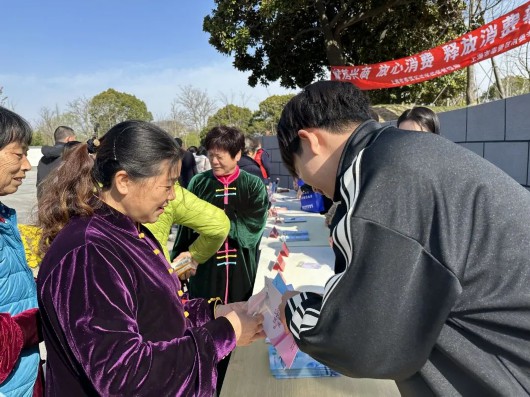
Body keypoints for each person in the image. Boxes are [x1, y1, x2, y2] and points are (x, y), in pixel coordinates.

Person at [276, 80, 530, 396]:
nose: (312, 189)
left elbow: (361, 341)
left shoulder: (380, 172)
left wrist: (292, 308)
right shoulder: (404, 152)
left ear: (309, 141)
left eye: (301, 174)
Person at [36, 120, 264, 396]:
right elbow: (124, 376)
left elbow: (156, 314)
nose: (172, 197)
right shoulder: (90, 252)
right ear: (123, 181)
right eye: (167, 186)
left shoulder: (128, 231)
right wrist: (223, 333)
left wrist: (215, 314)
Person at [0, 107, 43, 396]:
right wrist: (40, 321)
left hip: (23, 379)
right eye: (19, 154)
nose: (27, 165)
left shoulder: (5, 217)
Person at [144, 183, 230, 276]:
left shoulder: (171, 192)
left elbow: (218, 226)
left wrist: (193, 256)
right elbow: (219, 225)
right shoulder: (174, 192)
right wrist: (194, 256)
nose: (172, 196)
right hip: (158, 278)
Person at [36, 125, 76, 197]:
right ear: (69, 139)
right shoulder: (70, 157)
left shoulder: (42, 159)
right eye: (74, 139)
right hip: (65, 204)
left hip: (43, 203)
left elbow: (39, 185)